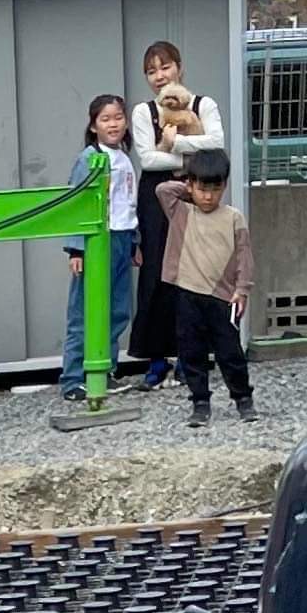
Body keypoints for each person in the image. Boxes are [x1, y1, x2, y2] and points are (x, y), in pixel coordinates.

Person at [123, 40, 227, 385]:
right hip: (156, 198)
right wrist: (190, 157)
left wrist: (175, 144)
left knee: (195, 272)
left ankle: (191, 354)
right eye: (151, 71)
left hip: (196, 195)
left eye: (165, 67)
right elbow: (148, 159)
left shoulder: (204, 103)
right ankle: (156, 358)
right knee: (155, 273)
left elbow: (218, 142)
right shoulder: (143, 112)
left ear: (179, 67)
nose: (159, 76)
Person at [160, 145, 258, 429]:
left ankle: (243, 398)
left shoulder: (233, 217)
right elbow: (163, 190)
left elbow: (244, 256)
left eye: (215, 189)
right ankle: (200, 402)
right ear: (190, 185)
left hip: (223, 297)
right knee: (191, 351)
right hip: (186, 293)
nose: (207, 196)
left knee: (230, 352)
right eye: (201, 188)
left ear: (225, 186)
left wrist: (243, 289)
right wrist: (187, 184)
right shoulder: (181, 211)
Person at [56, 91, 140, 401]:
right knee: (83, 313)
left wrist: (134, 242)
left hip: (121, 239)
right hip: (94, 242)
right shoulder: (89, 159)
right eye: (105, 119)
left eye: (118, 117)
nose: (113, 124)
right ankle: (73, 379)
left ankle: (105, 370)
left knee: (117, 310)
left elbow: (127, 204)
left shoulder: (125, 158)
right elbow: (76, 204)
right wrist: (76, 249)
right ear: (94, 126)